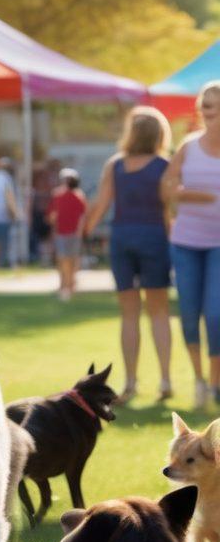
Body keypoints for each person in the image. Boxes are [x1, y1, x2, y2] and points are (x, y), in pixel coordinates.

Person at [85, 106, 173, 405]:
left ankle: (131, 382)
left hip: (122, 239)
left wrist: (85, 230)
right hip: (154, 238)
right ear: (159, 134)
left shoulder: (116, 164)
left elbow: (101, 204)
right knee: (159, 312)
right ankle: (165, 380)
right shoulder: (164, 165)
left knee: (129, 314)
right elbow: (169, 208)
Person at [161, 81, 220, 409]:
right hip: (186, 243)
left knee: (215, 314)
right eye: (206, 106)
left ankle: (215, 382)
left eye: (217, 106)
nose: (212, 113)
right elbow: (167, 188)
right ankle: (198, 381)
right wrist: (192, 195)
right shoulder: (188, 146)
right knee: (188, 314)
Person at [47, 168, 87, 301]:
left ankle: (69, 285)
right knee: (65, 259)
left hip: (72, 233)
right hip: (63, 232)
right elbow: (53, 215)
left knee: (69, 259)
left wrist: (79, 231)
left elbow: (82, 215)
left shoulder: (78, 195)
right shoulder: (59, 195)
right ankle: (65, 285)